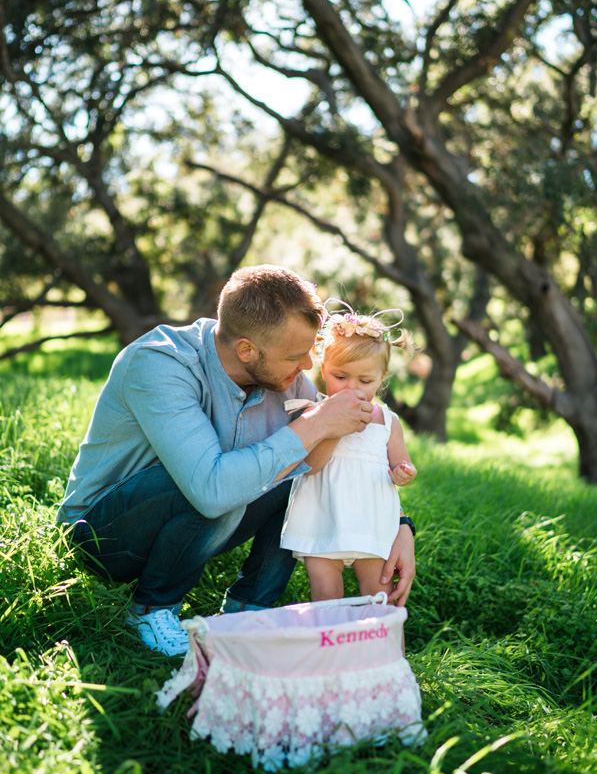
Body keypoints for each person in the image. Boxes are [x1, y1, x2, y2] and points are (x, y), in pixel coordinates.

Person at [57, 267, 417, 656]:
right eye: (297, 355)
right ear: (247, 349)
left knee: (294, 472)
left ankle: (249, 609)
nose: (309, 366)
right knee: (226, 481)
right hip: (100, 537)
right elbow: (211, 490)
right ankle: (151, 607)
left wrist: (398, 525)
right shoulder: (159, 363)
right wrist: (314, 426)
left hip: (194, 525)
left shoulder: (288, 379)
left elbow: (335, 463)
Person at [280, 301, 418, 602]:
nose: (351, 387)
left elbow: (400, 462)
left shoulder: (387, 421)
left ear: (381, 379)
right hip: (321, 517)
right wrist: (333, 425)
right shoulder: (313, 412)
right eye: (340, 377)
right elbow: (310, 466)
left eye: (365, 381)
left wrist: (403, 473)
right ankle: (332, 647)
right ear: (324, 368)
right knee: (327, 595)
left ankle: (388, 649)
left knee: (381, 593)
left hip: (371, 521)